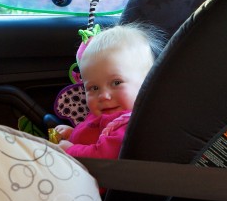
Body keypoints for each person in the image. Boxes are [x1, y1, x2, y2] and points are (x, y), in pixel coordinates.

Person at [51, 22, 163, 159]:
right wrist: (73, 134)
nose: (103, 96)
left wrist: (70, 150)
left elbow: (104, 155)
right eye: (94, 88)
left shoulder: (128, 125)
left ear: (147, 83)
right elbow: (94, 136)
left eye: (116, 83)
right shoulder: (108, 113)